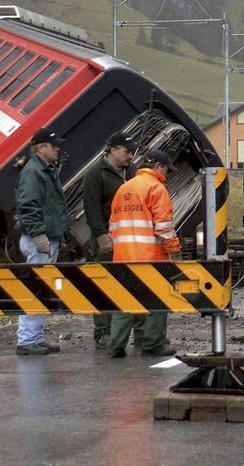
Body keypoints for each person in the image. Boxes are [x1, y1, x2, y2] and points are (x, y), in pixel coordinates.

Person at [107, 149, 180, 358]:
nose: (166, 173)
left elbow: (113, 226)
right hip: (150, 256)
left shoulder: (124, 188)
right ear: (157, 166)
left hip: (123, 256)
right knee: (157, 301)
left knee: (125, 301)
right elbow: (164, 226)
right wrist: (174, 250)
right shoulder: (156, 188)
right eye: (166, 168)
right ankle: (153, 345)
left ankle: (116, 345)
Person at [13, 127, 71, 355]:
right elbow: (27, 206)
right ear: (41, 147)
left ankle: (34, 337)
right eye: (53, 145)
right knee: (37, 287)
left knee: (42, 287)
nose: (57, 149)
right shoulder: (34, 172)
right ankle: (27, 339)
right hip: (39, 238)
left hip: (46, 237)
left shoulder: (44, 170)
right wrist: (38, 234)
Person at [80, 131, 135, 348]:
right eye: (126, 151)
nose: (131, 155)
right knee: (104, 284)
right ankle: (102, 332)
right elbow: (91, 207)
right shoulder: (96, 174)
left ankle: (132, 333)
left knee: (129, 283)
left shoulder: (131, 171)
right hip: (107, 238)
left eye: (132, 151)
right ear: (113, 150)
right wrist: (101, 235)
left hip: (129, 238)